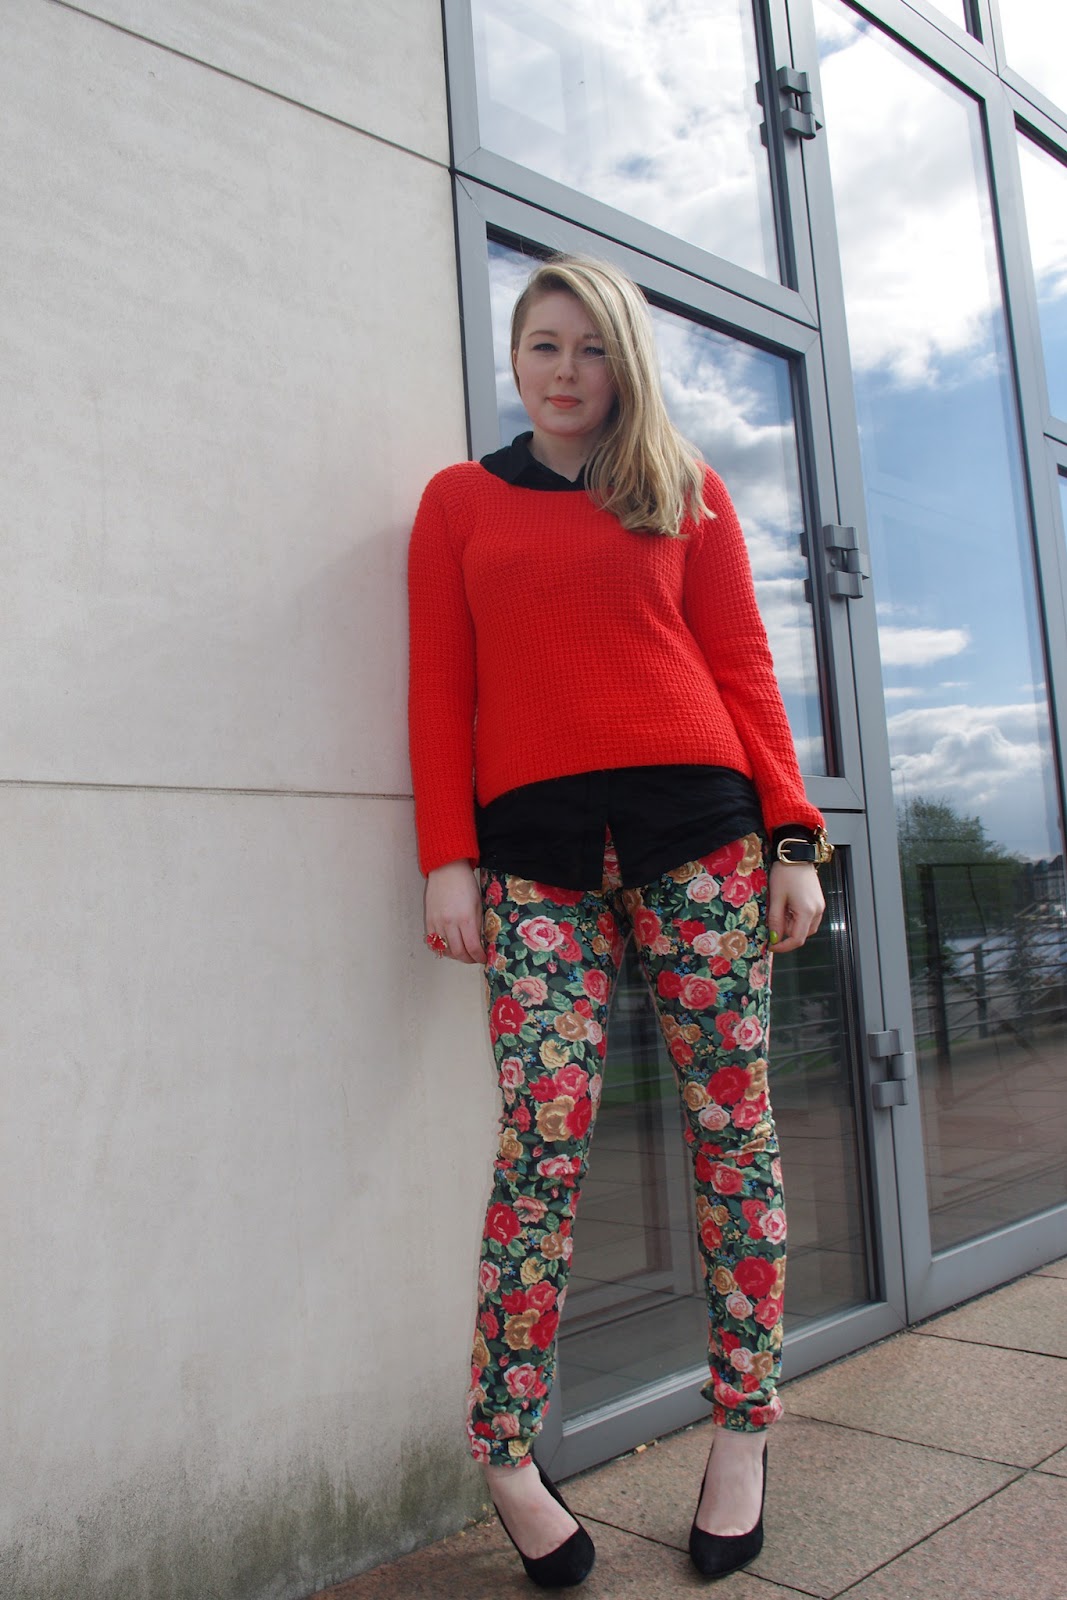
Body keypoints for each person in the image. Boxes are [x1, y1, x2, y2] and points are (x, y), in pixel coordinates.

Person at [407, 253, 829, 1587]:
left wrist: (793, 837)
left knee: (733, 1131)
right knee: (543, 1139)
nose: (566, 370)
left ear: (623, 361)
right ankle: (506, 1453)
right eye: (543, 344)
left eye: (590, 347)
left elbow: (743, 669)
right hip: (531, 865)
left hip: (698, 837)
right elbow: (439, 688)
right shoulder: (459, 502)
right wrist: (446, 858)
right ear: (513, 356)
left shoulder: (684, 487)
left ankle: (744, 1428)